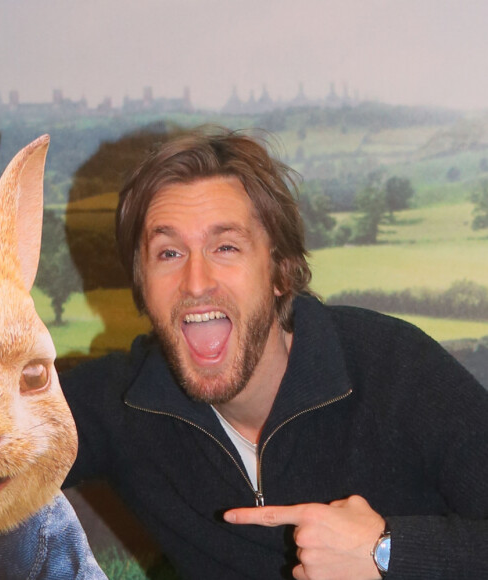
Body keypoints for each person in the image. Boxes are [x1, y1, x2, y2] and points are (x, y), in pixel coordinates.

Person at [61, 127, 488, 580]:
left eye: (225, 247)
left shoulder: (396, 369)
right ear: (143, 288)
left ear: (281, 273)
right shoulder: (124, 401)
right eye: (168, 253)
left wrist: (388, 551)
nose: (196, 281)